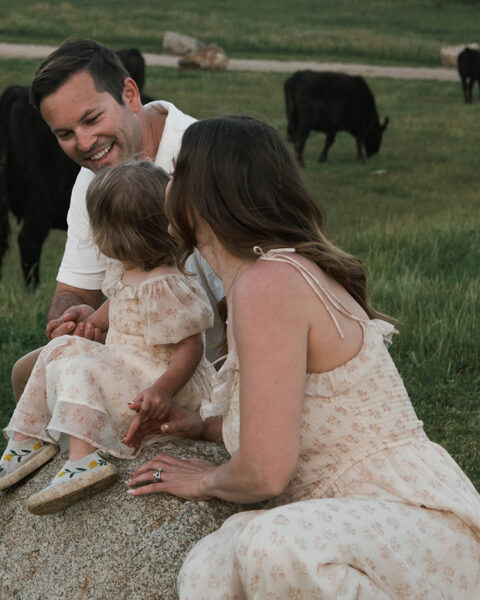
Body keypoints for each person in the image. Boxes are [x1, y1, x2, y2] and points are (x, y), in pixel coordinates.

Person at [126, 115, 480, 597]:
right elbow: (292, 414)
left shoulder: (271, 281)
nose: (167, 186)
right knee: (208, 568)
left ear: (204, 192)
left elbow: (266, 471)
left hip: (408, 518)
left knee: (269, 544)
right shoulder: (268, 277)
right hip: (353, 521)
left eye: (176, 172)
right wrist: (204, 426)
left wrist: (206, 479)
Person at [0, 161, 216, 516]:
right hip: (130, 367)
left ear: (118, 235)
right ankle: (27, 437)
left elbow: (191, 345)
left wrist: (164, 390)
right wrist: (89, 318)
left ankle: (83, 459)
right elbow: (117, 303)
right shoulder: (126, 269)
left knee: (78, 366)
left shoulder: (166, 283)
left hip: (159, 383)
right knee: (60, 347)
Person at [11, 38, 224, 405]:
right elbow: (74, 290)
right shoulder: (93, 178)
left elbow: (248, 306)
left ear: (129, 94)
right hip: (132, 359)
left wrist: (222, 411)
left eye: (92, 119)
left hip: (208, 365)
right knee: (26, 372)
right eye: (65, 134)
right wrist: (71, 320)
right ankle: (53, 461)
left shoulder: (206, 162)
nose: (84, 142)